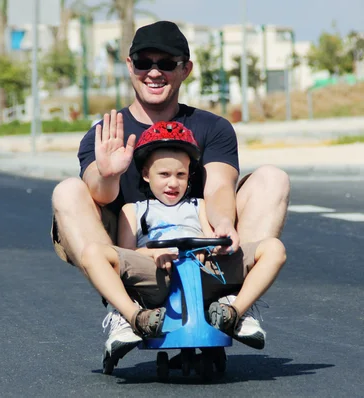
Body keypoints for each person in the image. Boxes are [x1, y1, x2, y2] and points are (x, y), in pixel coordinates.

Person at [50, 21, 290, 366]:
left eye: (165, 63)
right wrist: (108, 173)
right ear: (130, 66)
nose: (154, 73)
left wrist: (223, 222)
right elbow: (98, 195)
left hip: (206, 254)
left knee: (272, 177)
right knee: (67, 191)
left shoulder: (213, 127)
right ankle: (126, 312)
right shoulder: (107, 132)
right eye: (144, 62)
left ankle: (234, 301)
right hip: (136, 257)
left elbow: (220, 185)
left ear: (185, 69)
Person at [80, 121, 286, 369]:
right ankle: (135, 317)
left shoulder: (198, 206)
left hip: (200, 272)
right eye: (164, 175)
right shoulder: (134, 211)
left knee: (274, 249)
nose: (173, 183)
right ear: (146, 175)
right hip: (156, 274)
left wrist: (213, 248)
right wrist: (152, 253)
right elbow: (126, 254)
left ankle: (234, 312)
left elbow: (209, 239)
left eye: (181, 175)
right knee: (93, 253)